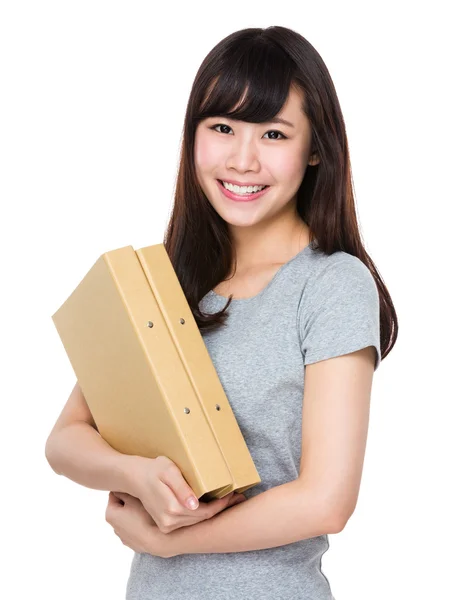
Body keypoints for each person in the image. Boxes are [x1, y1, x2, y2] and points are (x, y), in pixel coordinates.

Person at [45, 25, 397, 600]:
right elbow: (64, 440)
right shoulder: (166, 281)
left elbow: (326, 502)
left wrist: (171, 540)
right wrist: (135, 475)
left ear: (315, 149)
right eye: (222, 127)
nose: (242, 159)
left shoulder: (331, 284)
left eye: (274, 134)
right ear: (193, 138)